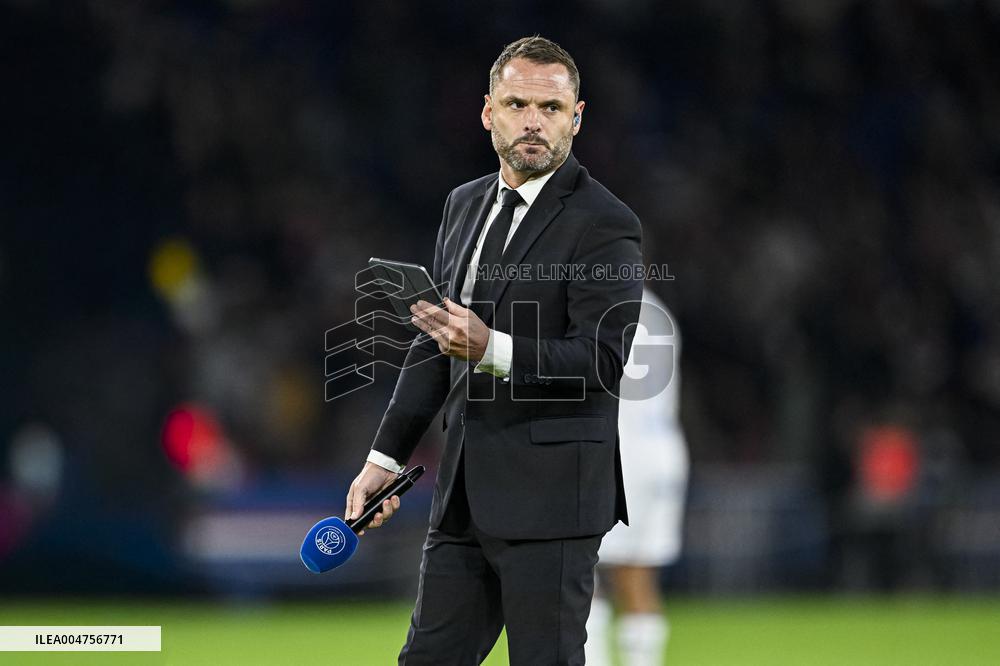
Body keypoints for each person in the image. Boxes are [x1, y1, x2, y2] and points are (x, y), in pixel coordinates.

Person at [343, 36, 644, 665]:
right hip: (463, 498)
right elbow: (436, 342)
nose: (533, 122)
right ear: (488, 112)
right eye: (516, 103)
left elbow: (602, 361)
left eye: (551, 108)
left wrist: (494, 348)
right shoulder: (464, 204)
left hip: (554, 502)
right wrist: (384, 456)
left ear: (577, 117)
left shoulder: (605, 222)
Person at [585, 288, 690, 666]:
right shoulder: (659, 308)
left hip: (617, 449)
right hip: (663, 452)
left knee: (583, 571)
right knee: (639, 576)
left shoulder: (595, 303)